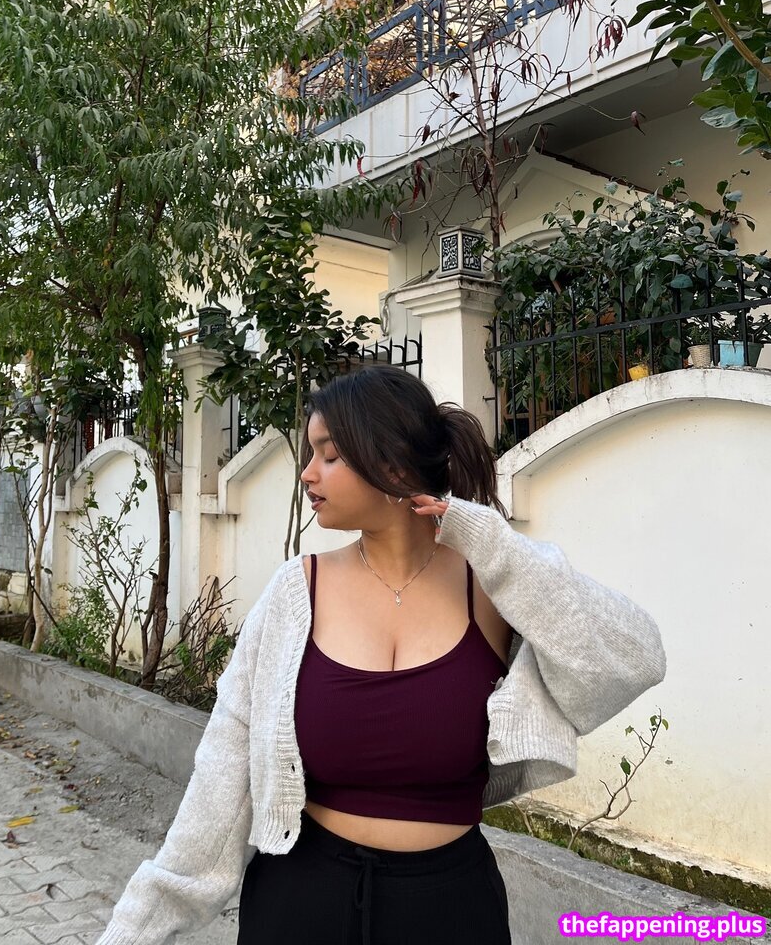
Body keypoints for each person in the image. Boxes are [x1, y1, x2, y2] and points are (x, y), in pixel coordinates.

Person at [96, 365, 667, 945]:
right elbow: (220, 779)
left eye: (329, 455)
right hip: (301, 903)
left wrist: (492, 546)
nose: (307, 472)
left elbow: (633, 659)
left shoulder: (493, 588)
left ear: (391, 464)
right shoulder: (295, 594)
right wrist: (134, 930)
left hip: (450, 910)